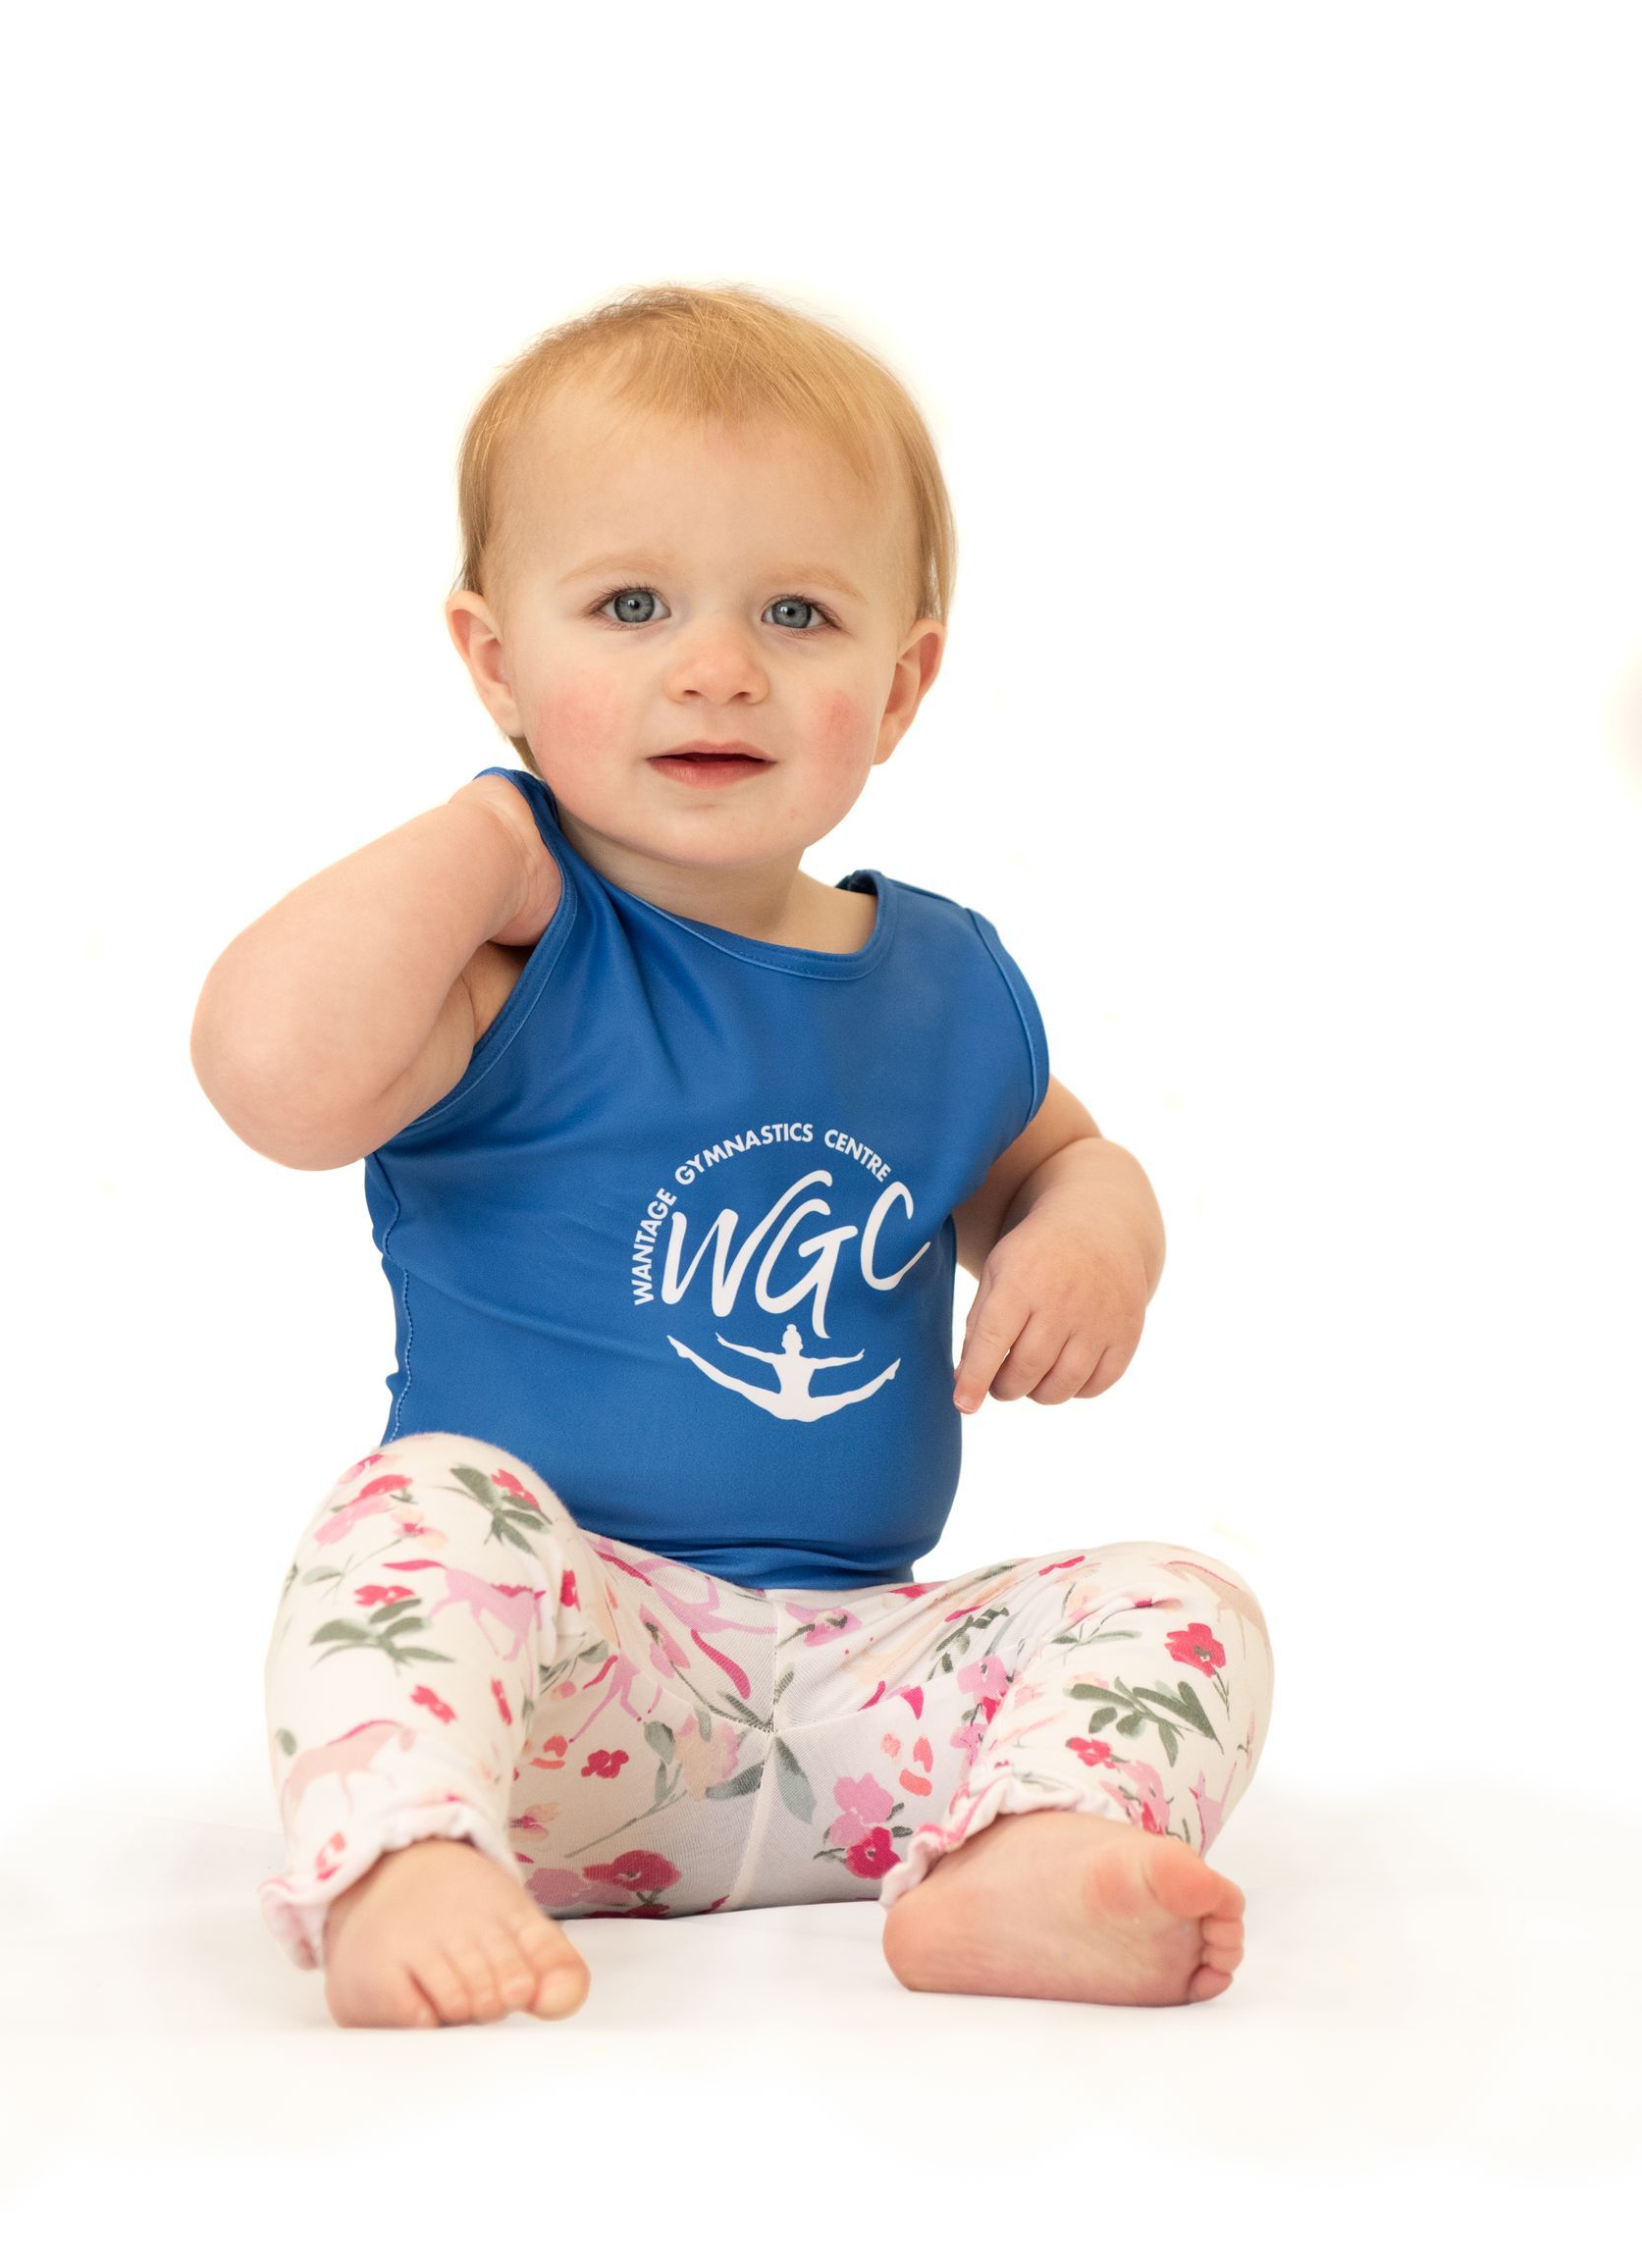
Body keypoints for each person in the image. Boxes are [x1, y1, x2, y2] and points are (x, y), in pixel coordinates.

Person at [189, 282, 1276, 2030]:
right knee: (415, 1517)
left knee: (1182, 1601)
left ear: (903, 681)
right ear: (494, 661)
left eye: (798, 610)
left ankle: (1028, 1857)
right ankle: (405, 1853)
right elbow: (272, 1084)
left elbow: (1062, 1162)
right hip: (568, 1688)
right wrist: (488, 829)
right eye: (628, 605)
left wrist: (1098, 1233)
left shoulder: (942, 983)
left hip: (863, 1690)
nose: (716, 665)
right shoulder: (504, 961)